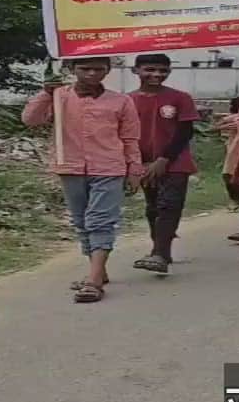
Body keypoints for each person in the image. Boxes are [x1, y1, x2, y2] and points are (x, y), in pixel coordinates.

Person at [22, 56, 142, 304]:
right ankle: (98, 270)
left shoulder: (121, 101)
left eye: (99, 69)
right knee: (81, 221)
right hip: (71, 166)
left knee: (100, 220)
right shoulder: (59, 97)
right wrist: (46, 93)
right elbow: (30, 120)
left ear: (108, 71)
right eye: (85, 68)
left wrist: (134, 170)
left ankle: (94, 280)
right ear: (72, 69)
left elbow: (130, 138)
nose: (91, 74)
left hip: (109, 167)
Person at [128, 54, 199, 275]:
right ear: (136, 71)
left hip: (175, 162)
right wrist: (135, 164)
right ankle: (161, 250)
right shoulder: (127, 100)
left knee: (169, 205)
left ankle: (159, 254)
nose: (156, 75)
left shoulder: (180, 98)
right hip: (143, 163)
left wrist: (164, 159)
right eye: (150, 69)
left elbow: (185, 132)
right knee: (152, 208)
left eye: (162, 70)